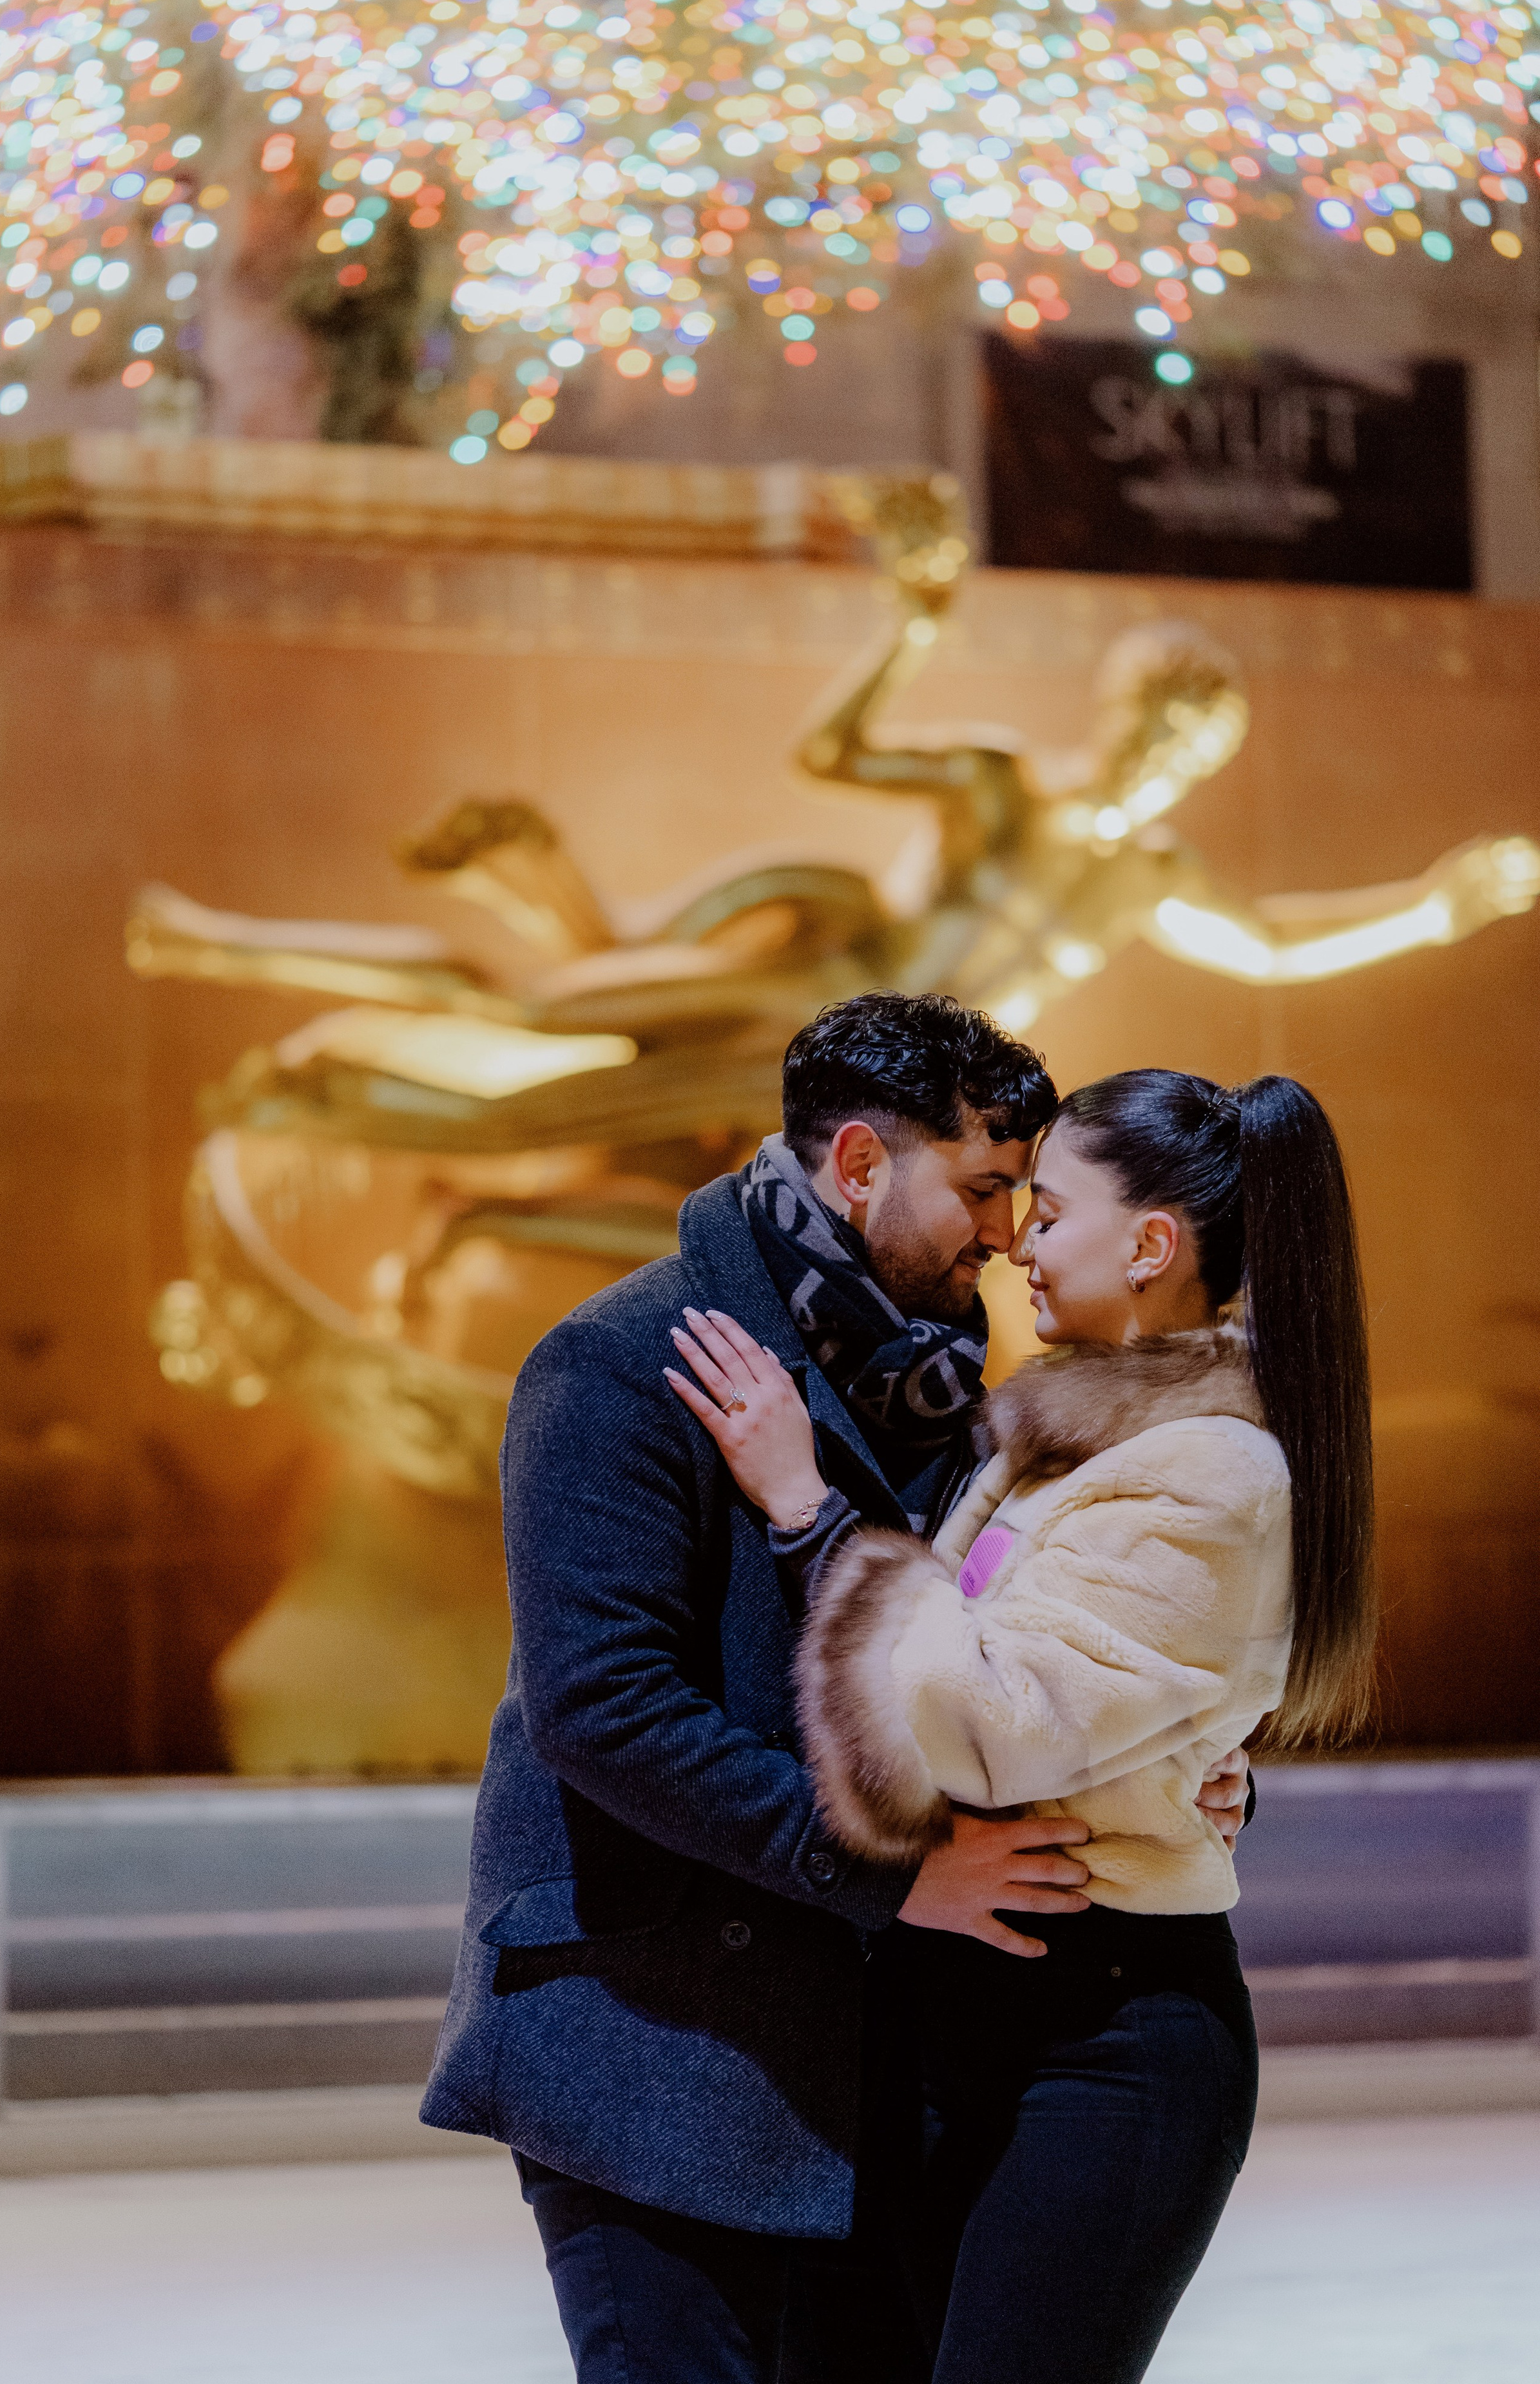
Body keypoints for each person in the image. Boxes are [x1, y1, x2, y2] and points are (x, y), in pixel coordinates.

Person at [423, 996, 1251, 2381]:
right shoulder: (623, 1360)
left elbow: (1002, 1660)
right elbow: (603, 1713)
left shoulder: (938, 1388)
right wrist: (887, 1877)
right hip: (653, 2041)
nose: (1002, 1234)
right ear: (862, 1167)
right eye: (983, 1189)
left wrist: (1170, 1762)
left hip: (859, 2062)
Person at [674, 1064, 1375, 2383]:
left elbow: (987, 1722)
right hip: (958, 2017)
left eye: (1046, 1216)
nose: (1015, 1249)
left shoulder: (1211, 1470)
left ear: (1152, 1245)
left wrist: (804, 1514)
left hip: (1100, 2048)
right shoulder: (1062, 1434)